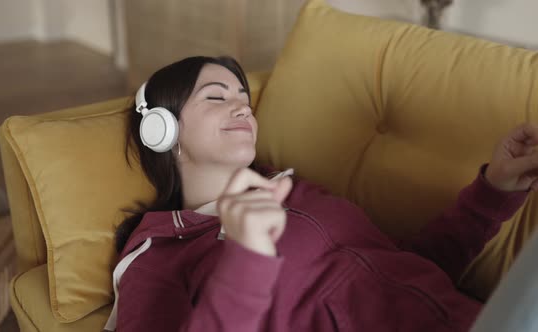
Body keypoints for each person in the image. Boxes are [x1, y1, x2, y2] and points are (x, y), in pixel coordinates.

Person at [105, 55, 536, 332]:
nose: (242, 107)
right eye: (216, 97)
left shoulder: (295, 189)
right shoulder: (158, 254)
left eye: (244, 98)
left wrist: (493, 190)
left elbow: (406, 270)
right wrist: (247, 258)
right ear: (162, 131)